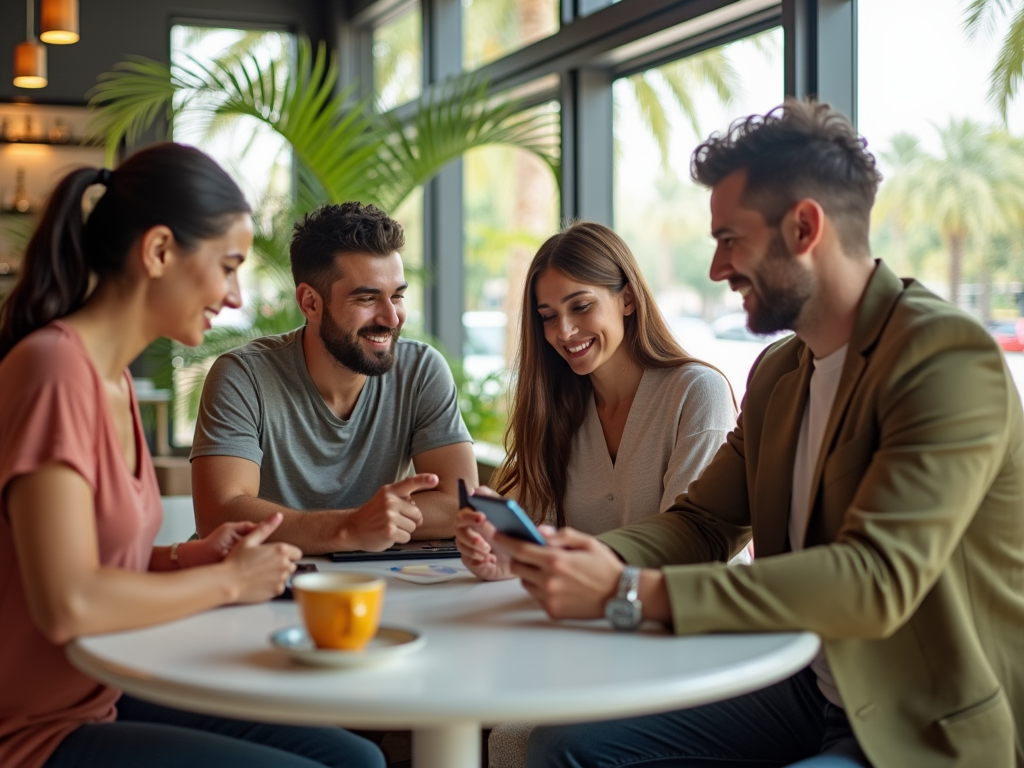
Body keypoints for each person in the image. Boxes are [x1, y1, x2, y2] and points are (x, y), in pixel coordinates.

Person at [496, 101, 1024, 768]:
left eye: (729, 240)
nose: (718, 269)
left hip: (919, 720)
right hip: (805, 684)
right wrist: (576, 554)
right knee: (560, 750)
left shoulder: (944, 358)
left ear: (805, 227)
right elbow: (703, 524)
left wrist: (626, 592)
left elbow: (876, 579)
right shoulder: (780, 372)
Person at [0, 144, 385, 768]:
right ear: (157, 252)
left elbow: (88, 561)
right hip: (32, 730)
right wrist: (227, 581)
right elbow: (69, 601)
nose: (236, 296)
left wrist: (187, 559)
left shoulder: (112, 379)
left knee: (357, 759)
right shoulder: (54, 371)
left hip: (98, 692)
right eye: (227, 266)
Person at [453, 222, 736, 768]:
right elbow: (536, 543)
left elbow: (699, 551)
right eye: (548, 316)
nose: (563, 331)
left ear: (628, 298)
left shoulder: (695, 394)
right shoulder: (559, 406)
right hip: (582, 646)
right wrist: (499, 556)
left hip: (671, 648)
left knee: (511, 739)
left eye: (580, 307)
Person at [190, 202, 477, 555]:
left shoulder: (421, 370)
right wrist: (353, 527)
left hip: (377, 584)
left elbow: (456, 505)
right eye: (368, 298)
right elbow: (219, 515)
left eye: (397, 296)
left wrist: (361, 526)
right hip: (260, 586)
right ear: (310, 303)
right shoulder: (243, 375)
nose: (391, 318)